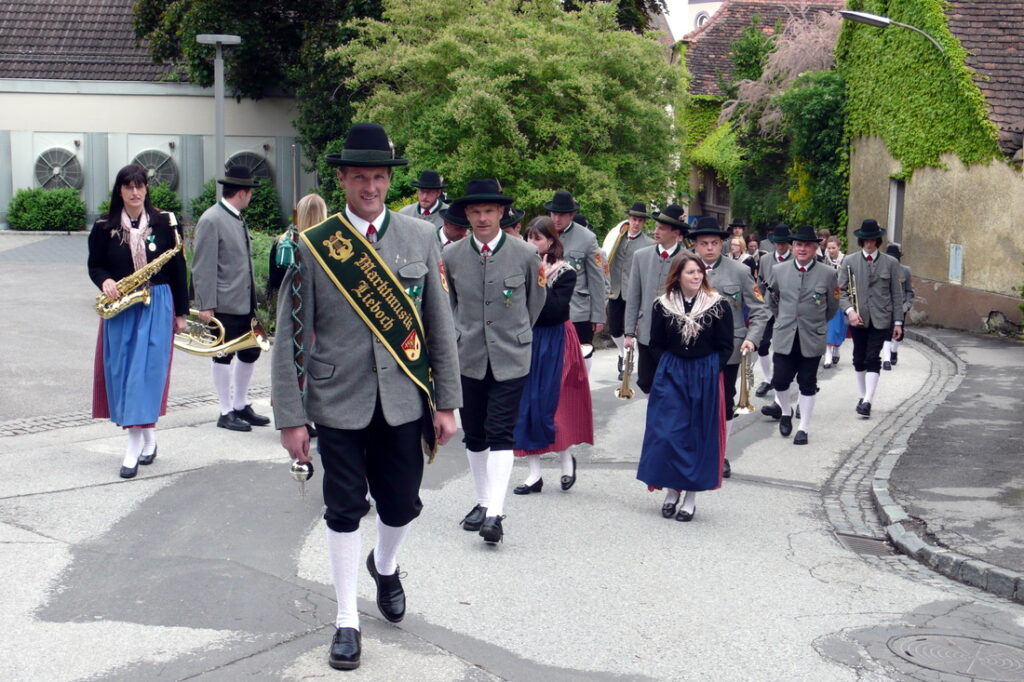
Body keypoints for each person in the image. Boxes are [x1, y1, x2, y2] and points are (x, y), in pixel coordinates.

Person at [272, 122, 462, 671]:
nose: (371, 187)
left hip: (403, 399)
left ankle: (386, 563)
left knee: (402, 504)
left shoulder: (419, 237)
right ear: (342, 179)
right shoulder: (315, 245)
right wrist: (291, 417)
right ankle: (346, 620)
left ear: (388, 180)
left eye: (379, 177)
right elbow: (289, 336)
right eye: (360, 177)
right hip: (337, 401)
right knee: (343, 508)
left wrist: (446, 402)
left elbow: (439, 326)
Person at [444, 179, 546, 545]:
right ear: (466, 215)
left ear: (502, 213)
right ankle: (484, 499)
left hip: (510, 356)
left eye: (489, 211)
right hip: (467, 355)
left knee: (501, 431)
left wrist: (514, 334)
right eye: (475, 212)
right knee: (474, 433)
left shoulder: (525, 254)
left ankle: (494, 513)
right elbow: (448, 305)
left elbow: (535, 303)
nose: (482, 218)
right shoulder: (452, 256)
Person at [89, 165, 188, 478]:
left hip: (157, 303)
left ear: (146, 189)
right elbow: (95, 266)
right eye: (128, 187)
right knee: (123, 374)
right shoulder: (104, 226)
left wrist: (181, 313)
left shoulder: (165, 223)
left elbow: (178, 270)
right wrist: (104, 281)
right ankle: (149, 438)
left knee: (144, 376)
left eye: (140, 186)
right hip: (121, 306)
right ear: (120, 190)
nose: (135, 192)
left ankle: (132, 448)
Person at [636, 253, 733, 522]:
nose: (696, 276)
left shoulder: (717, 305)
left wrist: (711, 368)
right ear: (678, 275)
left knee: (695, 436)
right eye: (690, 272)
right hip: (672, 374)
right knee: (666, 434)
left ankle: (690, 497)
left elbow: (726, 346)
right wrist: (667, 365)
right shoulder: (663, 305)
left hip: (704, 374)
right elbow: (654, 343)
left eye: (699, 272)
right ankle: (671, 491)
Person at [513, 217, 593, 494]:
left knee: (554, 404)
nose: (532, 243)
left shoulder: (565, 272)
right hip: (527, 340)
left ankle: (565, 460)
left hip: (555, 339)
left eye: (538, 238)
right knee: (526, 404)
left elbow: (555, 311)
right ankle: (534, 474)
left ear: (551, 242)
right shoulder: (519, 268)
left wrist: (541, 281)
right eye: (529, 237)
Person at [690, 216, 769, 478]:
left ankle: (721, 454)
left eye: (714, 243)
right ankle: (696, 449)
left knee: (724, 400)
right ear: (695, 246)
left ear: (722, 244)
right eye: (704, 243)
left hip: (729, 348)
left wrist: (752, 338)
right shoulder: (684, 269)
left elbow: (760, 310)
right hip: (690, 347)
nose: (710, 248)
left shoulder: (739, 271)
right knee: (693, 398)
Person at [192, 165, 269, 432]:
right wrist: (205, 304)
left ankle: (240, 404)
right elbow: (203, 266)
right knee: (222, 355)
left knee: (250, 351)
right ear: (243, 192)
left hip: (244, 302)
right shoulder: (211, 219)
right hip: (223, 304)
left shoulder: (235, 216)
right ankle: (225, 411)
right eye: (251, 192)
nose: (251, 197)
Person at [763, 224, 839, 445]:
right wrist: (784, 319)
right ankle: (786, 412)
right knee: (780, 380)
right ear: (793, 247)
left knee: (807, 382)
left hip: (812, 336)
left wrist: (815, 322)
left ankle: (803, 427)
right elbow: (772, 300)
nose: (802, 249)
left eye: (807, 245)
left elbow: (832, 306)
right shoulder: (779, 270)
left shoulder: (828, 274)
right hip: (785, 335)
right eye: (798, 245)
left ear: (815, 248)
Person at [267, 193, 328, 440]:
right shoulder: (324, 244)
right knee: (313, 363)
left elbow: (273, 282)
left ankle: (288, 411)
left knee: (287, 361)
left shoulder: (283, 242)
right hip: (314, 312)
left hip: (287, 309)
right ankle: (308, 415)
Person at [838, 219, 905, 418]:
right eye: (866, 240)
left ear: (878, 240)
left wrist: (898, 322)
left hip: (882, 318)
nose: (869, 243)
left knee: (872, 356)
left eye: (873, 240)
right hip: (858, 318)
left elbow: (896, 294)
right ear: (861, 241)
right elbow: (840, 291)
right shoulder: (849, 261)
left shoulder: (890, 263)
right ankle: (862, 395)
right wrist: (849, 311)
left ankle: (868, 400)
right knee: (858, 358)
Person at [624, 204, 688, 395]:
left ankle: (665, 419)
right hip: (647, 330)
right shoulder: (641, 256)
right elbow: (634, 295)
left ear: (675, 232)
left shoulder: (688, 259)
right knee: (645, 381)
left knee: (671, 382)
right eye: (656, 226)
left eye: (661, 228)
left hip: (675, 334)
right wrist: (629, 332)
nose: (655, 231)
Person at [545, 190, 608, 370]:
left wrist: (598, 315)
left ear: (572, 215)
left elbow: (597, 279)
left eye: (562, 215)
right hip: (547, 308)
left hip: (577, 311)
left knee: (577, 363)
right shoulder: (541, 233)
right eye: (554, 214)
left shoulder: (587, 238)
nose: (557, 219)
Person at [601, 201, 654, 380]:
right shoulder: (616, 237)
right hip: (616, 290)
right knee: (615, 329)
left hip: (634, 292)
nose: (636, 223)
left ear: (644, 223)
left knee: (630, 330)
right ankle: (622, 353)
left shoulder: (649, 243)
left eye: (640, 220)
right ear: (628, 219)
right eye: (633, 219)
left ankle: (626, 364)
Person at [754, 224, 794, 398]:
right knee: (762, 345)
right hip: (768, 308)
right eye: (777, 243)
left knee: (783, 349)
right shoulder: (765, 259)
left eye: (784, 243)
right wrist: (759, 304)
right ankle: (768, 379)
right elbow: (759, 285)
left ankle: (783, 381)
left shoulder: (795, 259)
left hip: (787, 310)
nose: (780, 246)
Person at [882, 242, 914, 370]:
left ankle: (894, 350)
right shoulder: (882, 270)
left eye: (895, 258)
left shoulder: (905, 271)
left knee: (898, 335)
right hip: (886, 307)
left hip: (900, 307)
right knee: (887, 332)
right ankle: (886, 359)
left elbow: (909, 291)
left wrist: (906, 306)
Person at [822, 235, 846, 368]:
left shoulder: (845, 261)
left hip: (842, 296)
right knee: (830, 325)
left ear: (839, 247)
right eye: (829, 248)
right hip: (828, 296)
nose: (831, 251)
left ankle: (836, 348)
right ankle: (828, 354)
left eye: (833, 248)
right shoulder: (824, 261)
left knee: (839, 327)